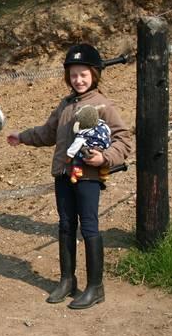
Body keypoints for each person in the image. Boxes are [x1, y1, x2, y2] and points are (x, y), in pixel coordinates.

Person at [7, 44, 132, 309]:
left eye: (83, 74)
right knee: (65, 225)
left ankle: (95, 287)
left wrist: (104, 158)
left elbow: (123, 139)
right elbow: (48, 132)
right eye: (74, 75)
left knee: (88, 227)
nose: (78, 80)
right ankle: (67, 280)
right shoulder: (65, 105)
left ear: (94, 74)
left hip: (87, 176)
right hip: (63, 174)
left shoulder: (103, 105)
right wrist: (22, 137)